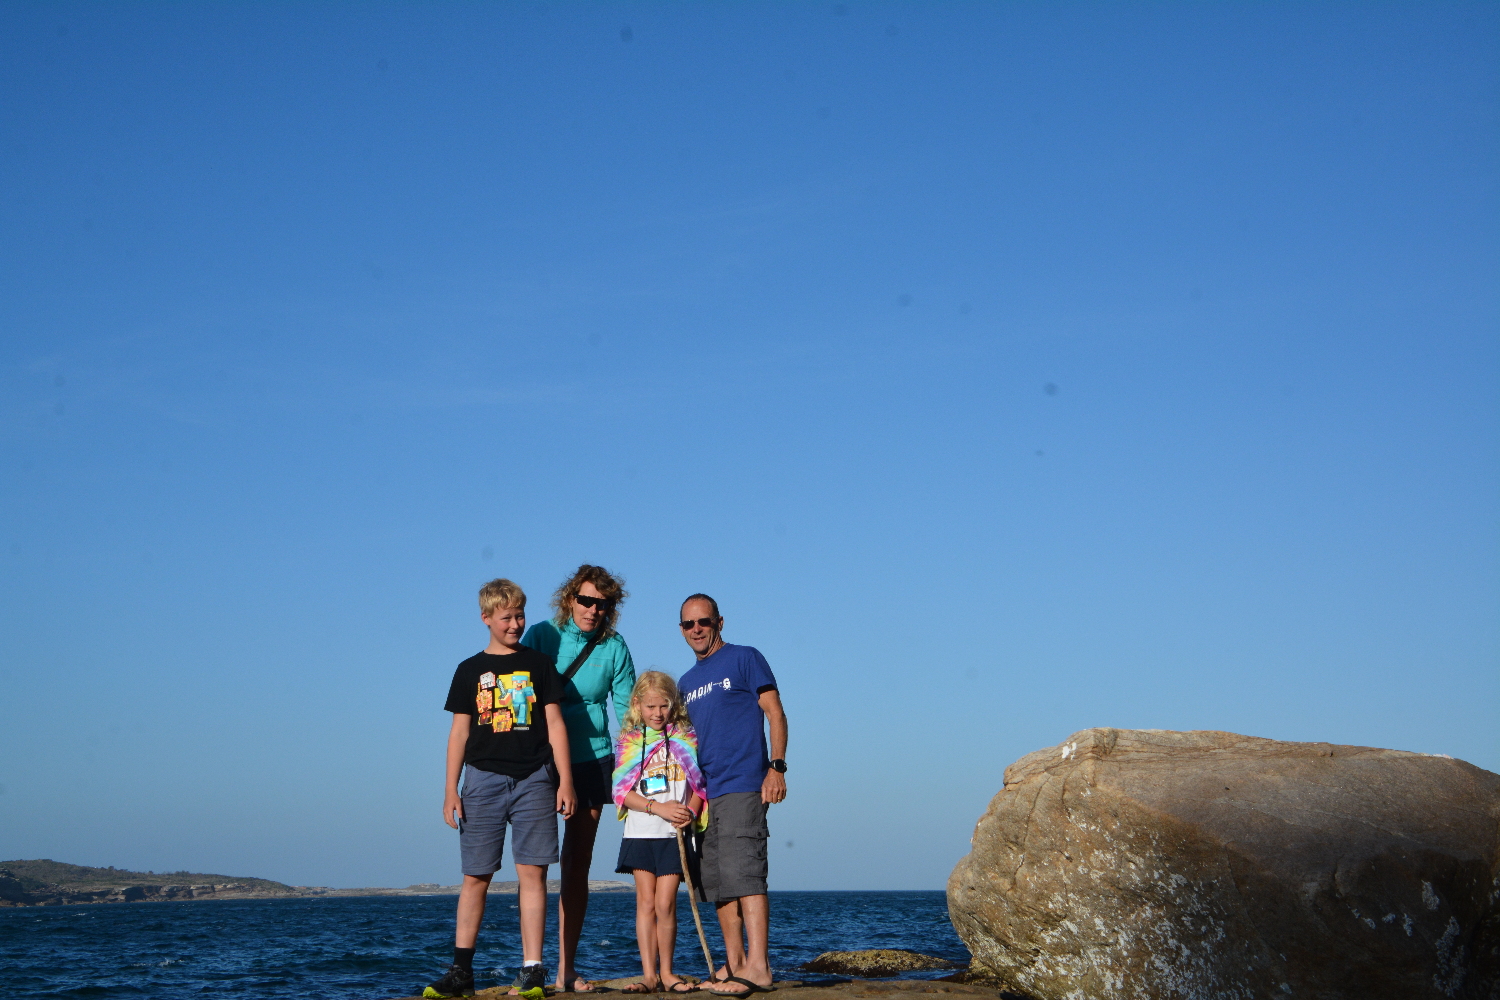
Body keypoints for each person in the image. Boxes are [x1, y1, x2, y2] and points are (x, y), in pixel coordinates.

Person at [424, 578, 576, 1000]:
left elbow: (555, 724)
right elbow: (458, 733)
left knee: (533, 873)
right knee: (476, 875)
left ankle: (532, 970)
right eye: (506, 617)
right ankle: (461, 972)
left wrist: (565, 780)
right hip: (481, 779)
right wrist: (450, 789)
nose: (515, 624)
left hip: (535, 779)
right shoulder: (468, 670)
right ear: (486, 618)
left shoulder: (539, 664)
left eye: (520, 616)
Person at [521, 565, 637, 993]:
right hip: (541, 760)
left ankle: (565, 969)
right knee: (534, 865)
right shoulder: (541, 635)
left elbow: (628, 713)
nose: (592, 610)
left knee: (576, 864)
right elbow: (518, 695)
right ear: (570, 598)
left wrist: (636, 767)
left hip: (593, 759)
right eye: (586, 600)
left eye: (602, 604)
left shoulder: (614, 646)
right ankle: (531, 967)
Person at [676, 594, 788, 997]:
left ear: (719, 622)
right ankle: (736, 962)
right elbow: (686, 747)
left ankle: (759, 967)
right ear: (681, 630)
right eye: (688, 624)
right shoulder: (685, 684)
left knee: (746, 874)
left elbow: (775, 712)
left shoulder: (745, 658)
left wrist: (776, 767)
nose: (697, 629)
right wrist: (689, 800)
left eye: (703, 621)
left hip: (743, 783)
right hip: (706, 795)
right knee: (719, 882)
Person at [610, 671, 708, 994]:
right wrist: (657, 808)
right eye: (650, 706)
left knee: (666, 903)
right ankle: (649, 974)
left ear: (673, 704)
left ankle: (667, 972)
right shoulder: (629, 741)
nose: (657, 713)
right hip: (641, 832)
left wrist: (690, 811)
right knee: (646, 903)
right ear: (638, 705)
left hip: (673, 836)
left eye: (664, 706)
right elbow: (621, 792)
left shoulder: (685, 736)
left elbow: (699, 785)